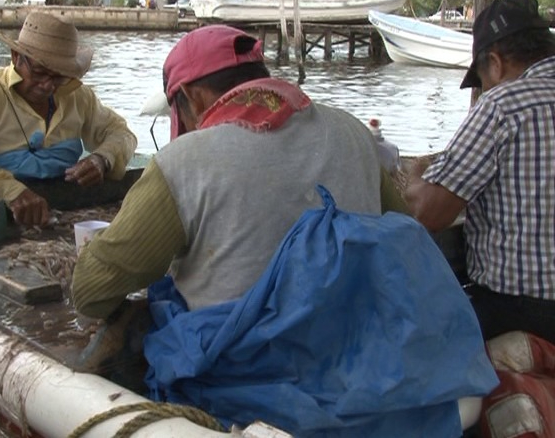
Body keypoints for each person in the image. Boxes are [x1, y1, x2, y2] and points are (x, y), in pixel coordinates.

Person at [71, 23, 406, 318]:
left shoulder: (182, 161)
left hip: (244, 371)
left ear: (191, 95)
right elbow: (406, 232)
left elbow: (91, 293)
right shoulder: (353, 131)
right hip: (361, 349)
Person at [405, 0, 555, 344]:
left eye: (483, 79)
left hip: (521, 310)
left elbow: (430, 213)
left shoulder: (504, 105)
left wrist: (414, 175)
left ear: (495, 63)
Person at [0, 11, 137, 227]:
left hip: (60, 209)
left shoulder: (78, 96)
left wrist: (101, 159)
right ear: (16, 57)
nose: (47, 85)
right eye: (38, 72)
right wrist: (10, 189)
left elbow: (122, 134)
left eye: (58, 76)